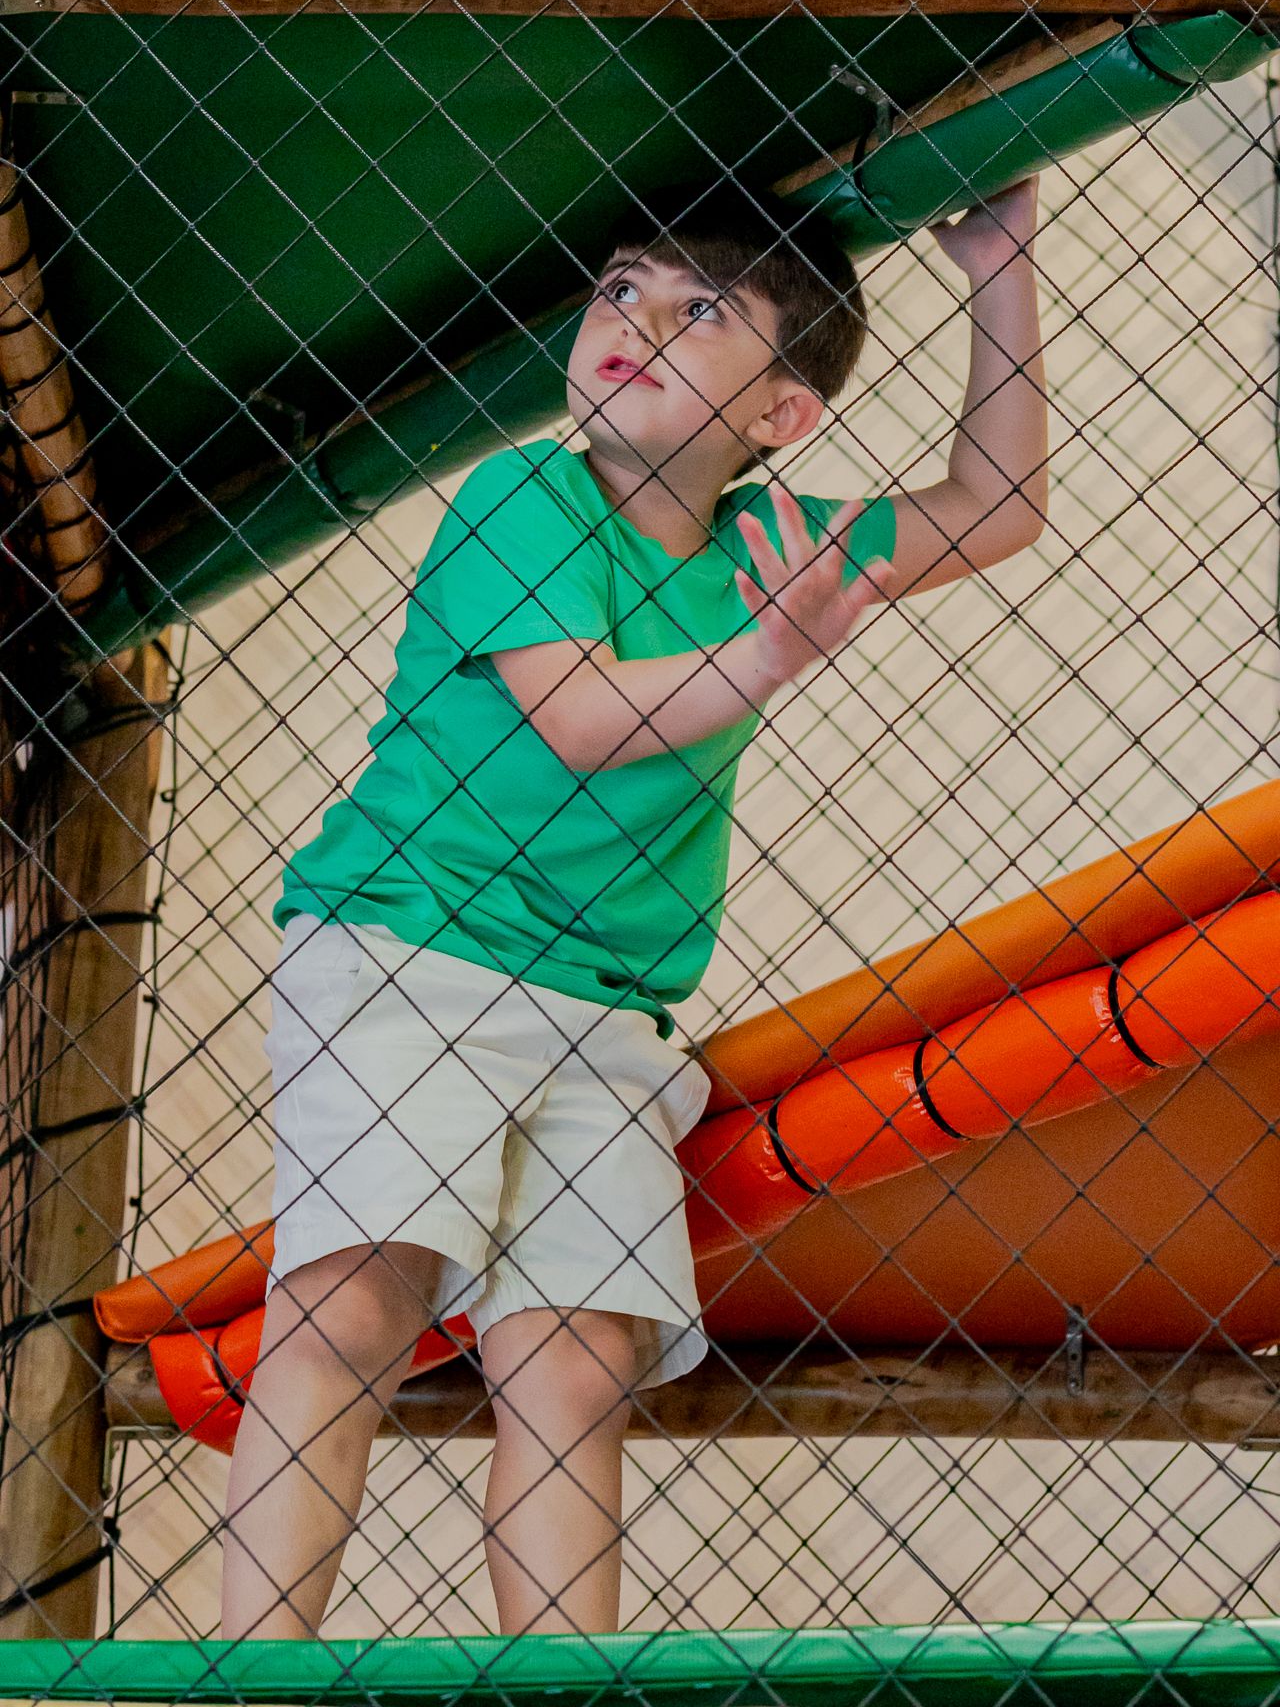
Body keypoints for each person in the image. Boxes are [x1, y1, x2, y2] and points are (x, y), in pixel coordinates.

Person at [221, 173, 1047, 1639]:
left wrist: (1002, 262)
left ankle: (561, 1675)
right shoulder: (521, 493)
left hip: (606, 1013)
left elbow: (996, 507)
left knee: (577, 1358)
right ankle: (256, 1661)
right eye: (620, 289)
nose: (636, 323)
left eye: (700, 312)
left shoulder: (756, 550)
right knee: (355, 1301)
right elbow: (587, 719)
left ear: (780, 415)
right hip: (414, 952)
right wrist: (770, 660)